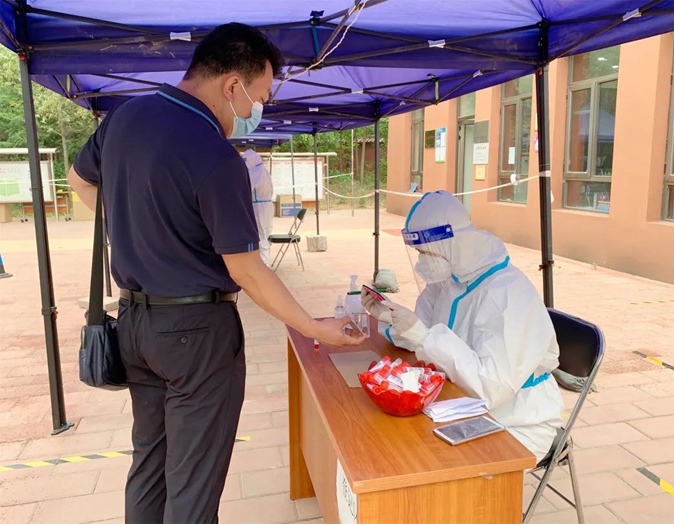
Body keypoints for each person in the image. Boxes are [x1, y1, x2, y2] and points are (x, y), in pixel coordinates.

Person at [68, 23, 363, 524]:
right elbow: (247, 270)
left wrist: (137, 226)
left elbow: (79, 180)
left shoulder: (124, 118)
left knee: (150, 463)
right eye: (259, 98)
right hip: (197, 335)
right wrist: (314, 327)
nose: (255, 112)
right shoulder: (216, 156)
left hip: (134, 325)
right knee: (194, 481)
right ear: (232, 85)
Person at [362, 191, 564, 462]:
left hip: (517, 420)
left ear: (448, 245)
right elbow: (422, 333)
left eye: (424, 252)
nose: (421, 261)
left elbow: (491, 388)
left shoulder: (506, 294)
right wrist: (390, 316)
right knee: (396, 442)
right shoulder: (450, 279)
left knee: (422, 460)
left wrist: (421, 335)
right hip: (463, 403)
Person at [242, 149, 274, 266]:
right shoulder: (263, 170)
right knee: (265, 233)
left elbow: (246, 189)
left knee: (260, 236)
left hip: (259, 207)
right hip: (266, 206)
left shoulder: (255, 172)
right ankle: (264, 262)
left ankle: (264, 264)